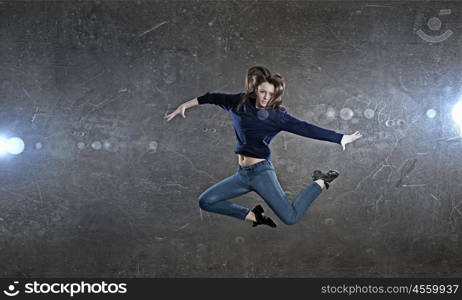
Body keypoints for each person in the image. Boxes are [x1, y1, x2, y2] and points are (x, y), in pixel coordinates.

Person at [163, 66, 362, 228]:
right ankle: (254, 217)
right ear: (255, 89)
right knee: (205, 201)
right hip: (242, 175)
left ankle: (320, 182)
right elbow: (210, 97)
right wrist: (184, 106)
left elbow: (305, 128)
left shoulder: (277, 116)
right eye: (262, 92)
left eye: (271, 94)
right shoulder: (238, 103)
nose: (266, 97)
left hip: (261, 173)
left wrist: (339, 138)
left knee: (290, 217)